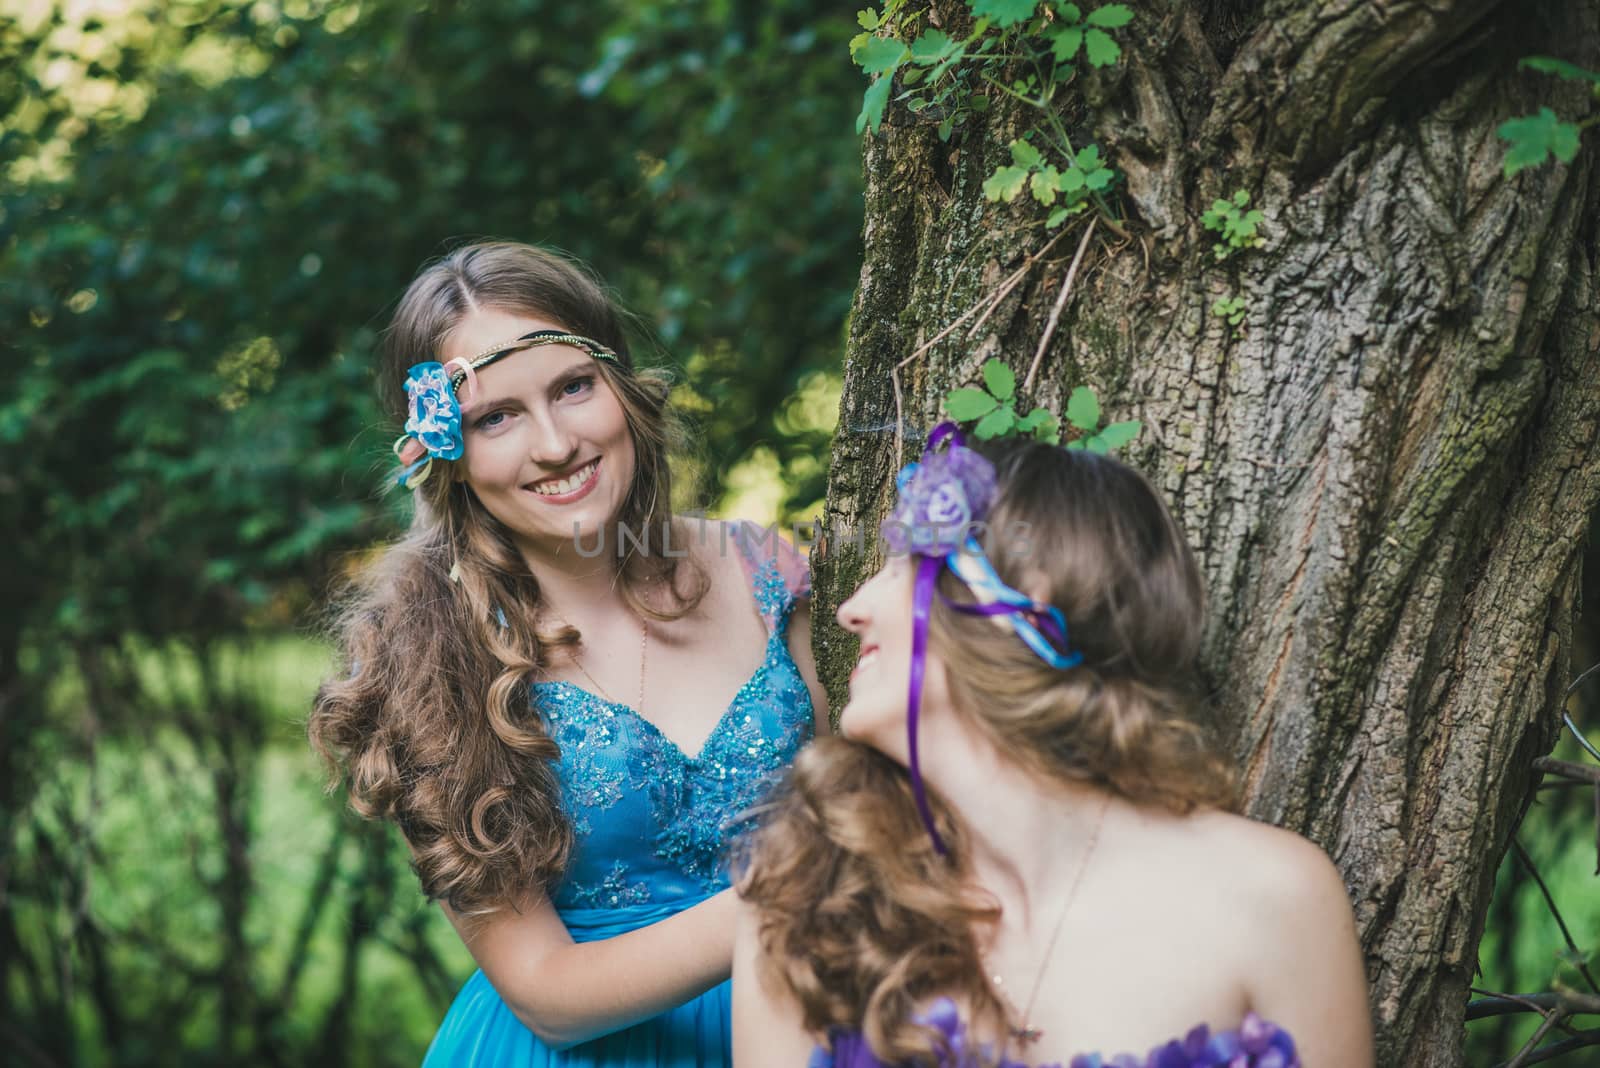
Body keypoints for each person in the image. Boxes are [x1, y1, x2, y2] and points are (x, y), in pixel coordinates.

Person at [308, 241, 827, 1067]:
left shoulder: (762, 570)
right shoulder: (429, 659)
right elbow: (548, 995)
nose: (553, 444)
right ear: (446, 452)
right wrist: (794, 899)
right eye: (495, 418)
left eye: (572, 388)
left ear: (620, 383)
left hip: (806, 1028)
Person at [732, 426, 1373, 1068]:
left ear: (1031, 590)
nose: (850, 609)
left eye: (903, 565)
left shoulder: (1272, 897)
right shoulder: (802, 903)